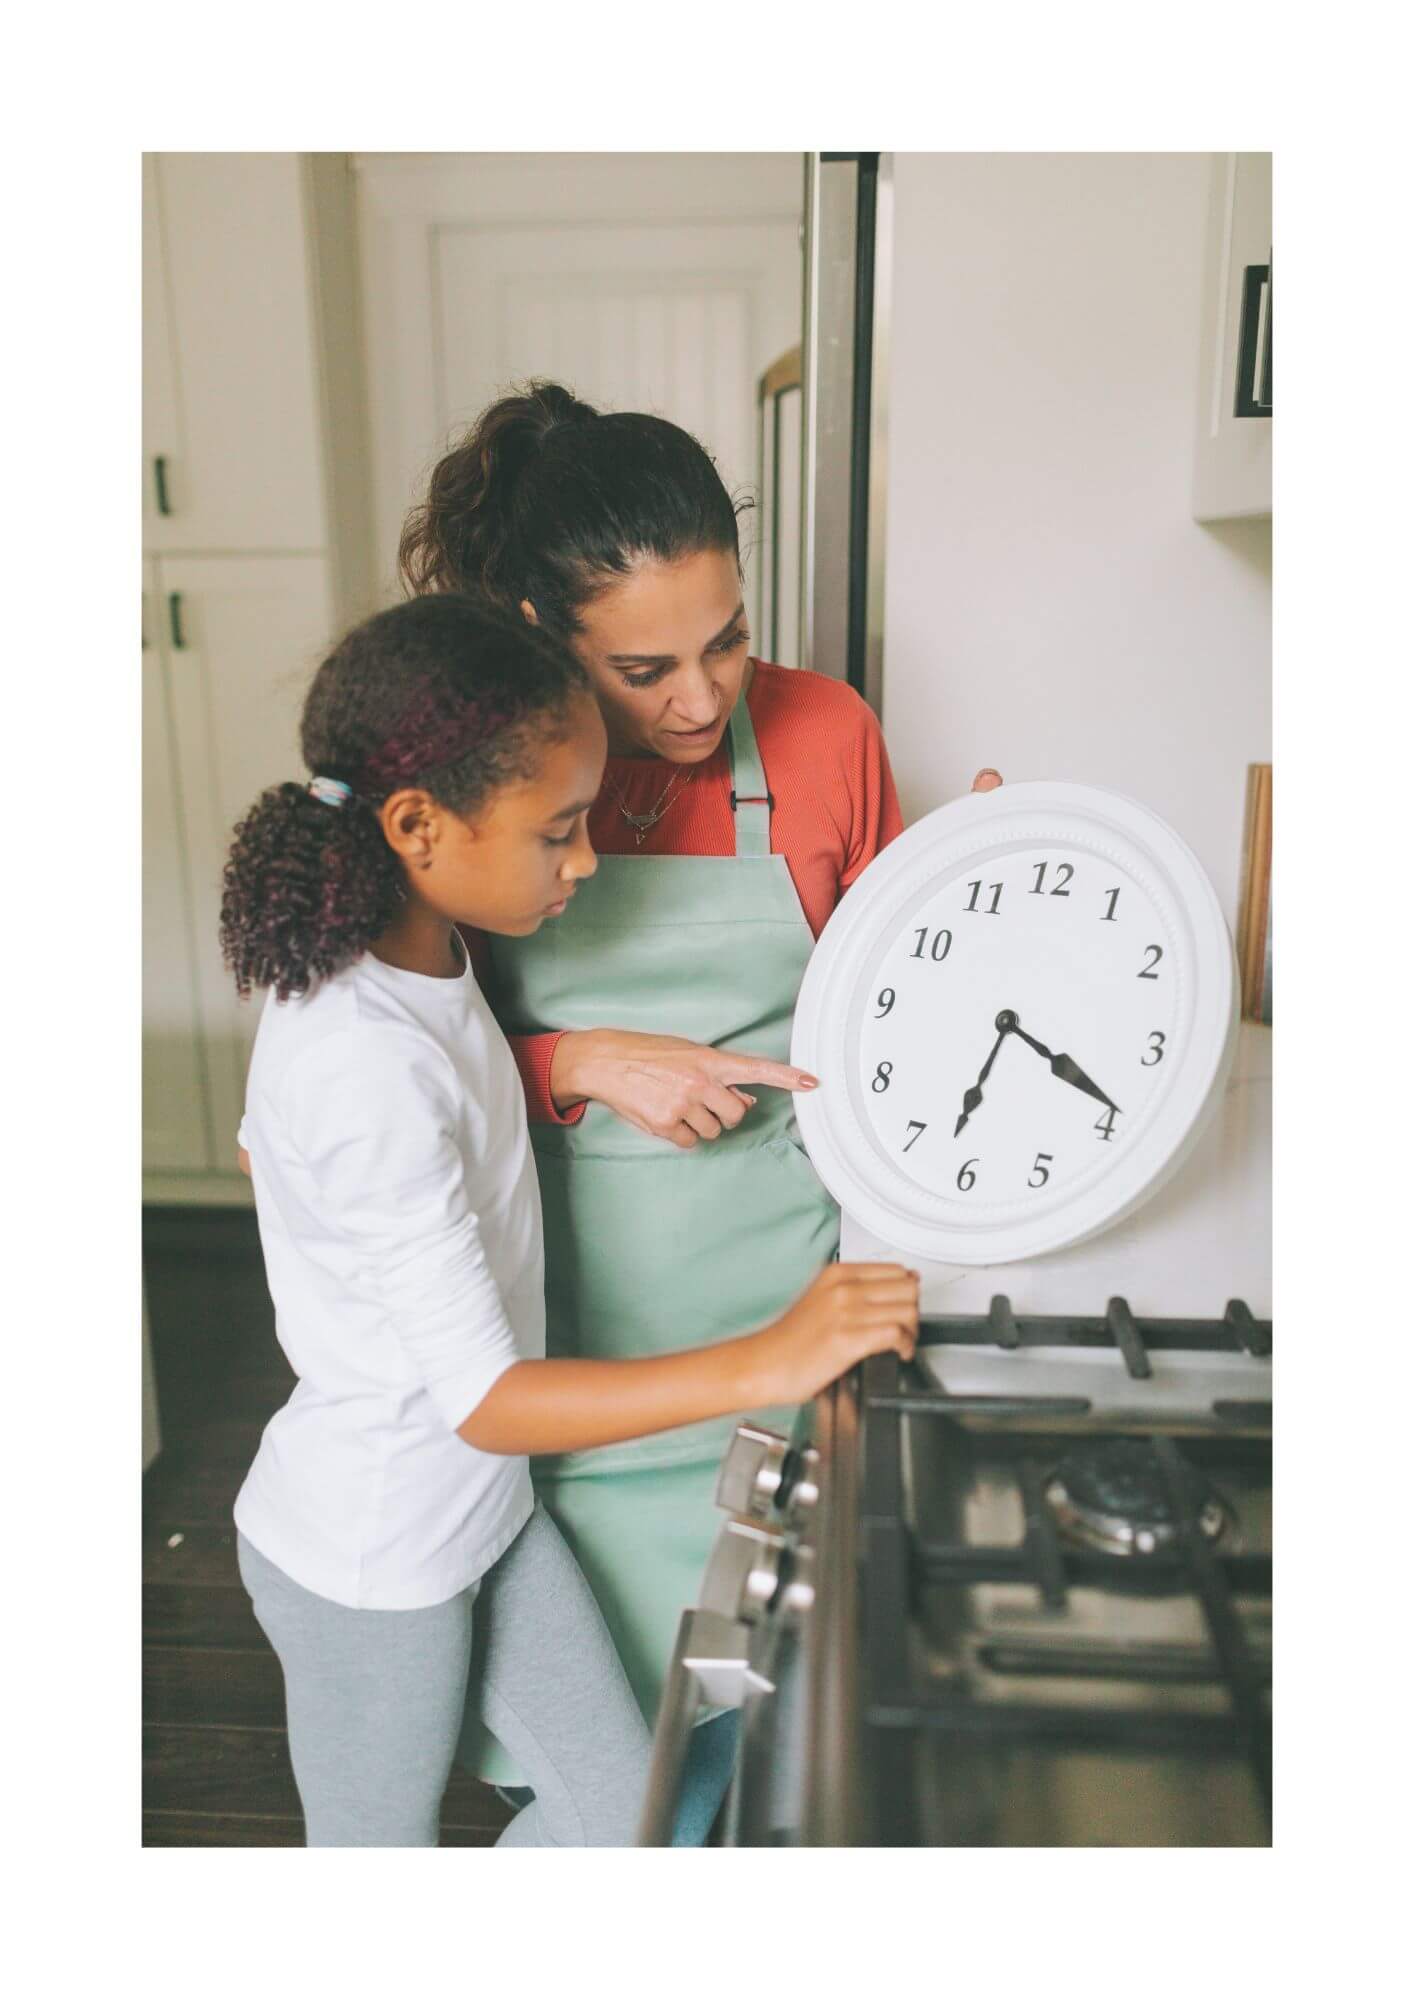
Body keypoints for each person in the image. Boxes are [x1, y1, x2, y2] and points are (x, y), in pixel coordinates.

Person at [399, 383, 1000, 1841]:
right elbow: (381, 1069)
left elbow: (896, 1031)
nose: (701, 696)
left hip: (784, 1336)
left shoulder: (823, 735)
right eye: (643, 666)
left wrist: (982, 914)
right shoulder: (479, 777)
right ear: (546, 638)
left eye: (725, 638)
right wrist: (580, 1060)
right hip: (563, 1366)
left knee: (764, 1755)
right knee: (605, 1773)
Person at [222, 593, 920, 1847]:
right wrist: (771, 1359)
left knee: (626, 1827)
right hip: (374, 1558)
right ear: (418, 825)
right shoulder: (363, 1057)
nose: (587, 861)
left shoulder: (423, 951)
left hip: (488, 1517)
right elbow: (485, 1397)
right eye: (557, 832)